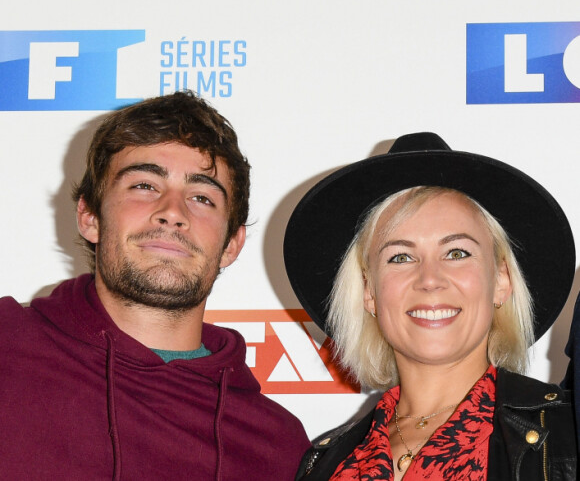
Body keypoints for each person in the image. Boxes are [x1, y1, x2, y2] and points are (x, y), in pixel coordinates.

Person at [0, 91, 310, 480]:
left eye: (201, 196)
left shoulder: (278, 446)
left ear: (231, 244)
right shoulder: (6, 347)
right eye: (145, 186)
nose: (172, 213)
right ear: (90, 216)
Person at [283, 132, 577, 480]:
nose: (429, 279)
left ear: (501, 280)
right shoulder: (323, 463)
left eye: (457, 253)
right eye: (401, 257)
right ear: (369, 292)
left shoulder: (566, 436)